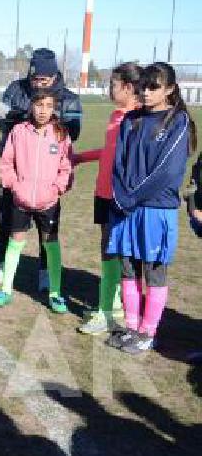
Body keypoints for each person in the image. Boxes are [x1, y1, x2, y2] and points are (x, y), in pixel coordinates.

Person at [105, 62, 196, 354]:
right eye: (143, 85)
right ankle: (132, 327)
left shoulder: (177, 122)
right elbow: (117, 163)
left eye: (153, 86)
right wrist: (121, 197)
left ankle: (148, 332)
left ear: (169, 89)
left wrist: (131, 197)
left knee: (154, 272)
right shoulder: (130, 120)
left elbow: (167, 172)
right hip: (126, 208)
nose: (146, 91)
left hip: (156, 209)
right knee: (128, 269)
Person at [0, 48, 83, 290]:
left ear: (53, 76)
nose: (37, 82)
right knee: (9, 221)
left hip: (46, 174)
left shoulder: (69, 98)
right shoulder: (15, 89)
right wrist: (11, 116)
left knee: (48, 230)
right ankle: (3, 264)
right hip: (17, 168)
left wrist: (47, 119)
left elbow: (73, 132)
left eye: (43, 79)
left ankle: (44, 271)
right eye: (34, 78)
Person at [73, 63, 142, 334]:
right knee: (106, 250)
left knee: (121, 252)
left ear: (127, 87)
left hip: (121, 197)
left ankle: (113, 312)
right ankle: (108, 305)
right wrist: (82, 157)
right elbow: (110, 150)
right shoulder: (116, 115)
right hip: (102, 192)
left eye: (113, 84)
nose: (109, 89)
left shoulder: (138, 118)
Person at [0, 89, 73, 312]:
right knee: (15, 242)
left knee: (51, 245)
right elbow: (6, 163)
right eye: (39, 105)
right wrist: (14, 186)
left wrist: (56, 189)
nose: (43, 111)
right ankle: (6, 289)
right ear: (31, 106)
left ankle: (55, 293)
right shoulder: (19, 131)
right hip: (21, 199)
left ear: (54, 108)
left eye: (48, 106)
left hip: (49, 202)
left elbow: (66, 167)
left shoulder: (60, 134)